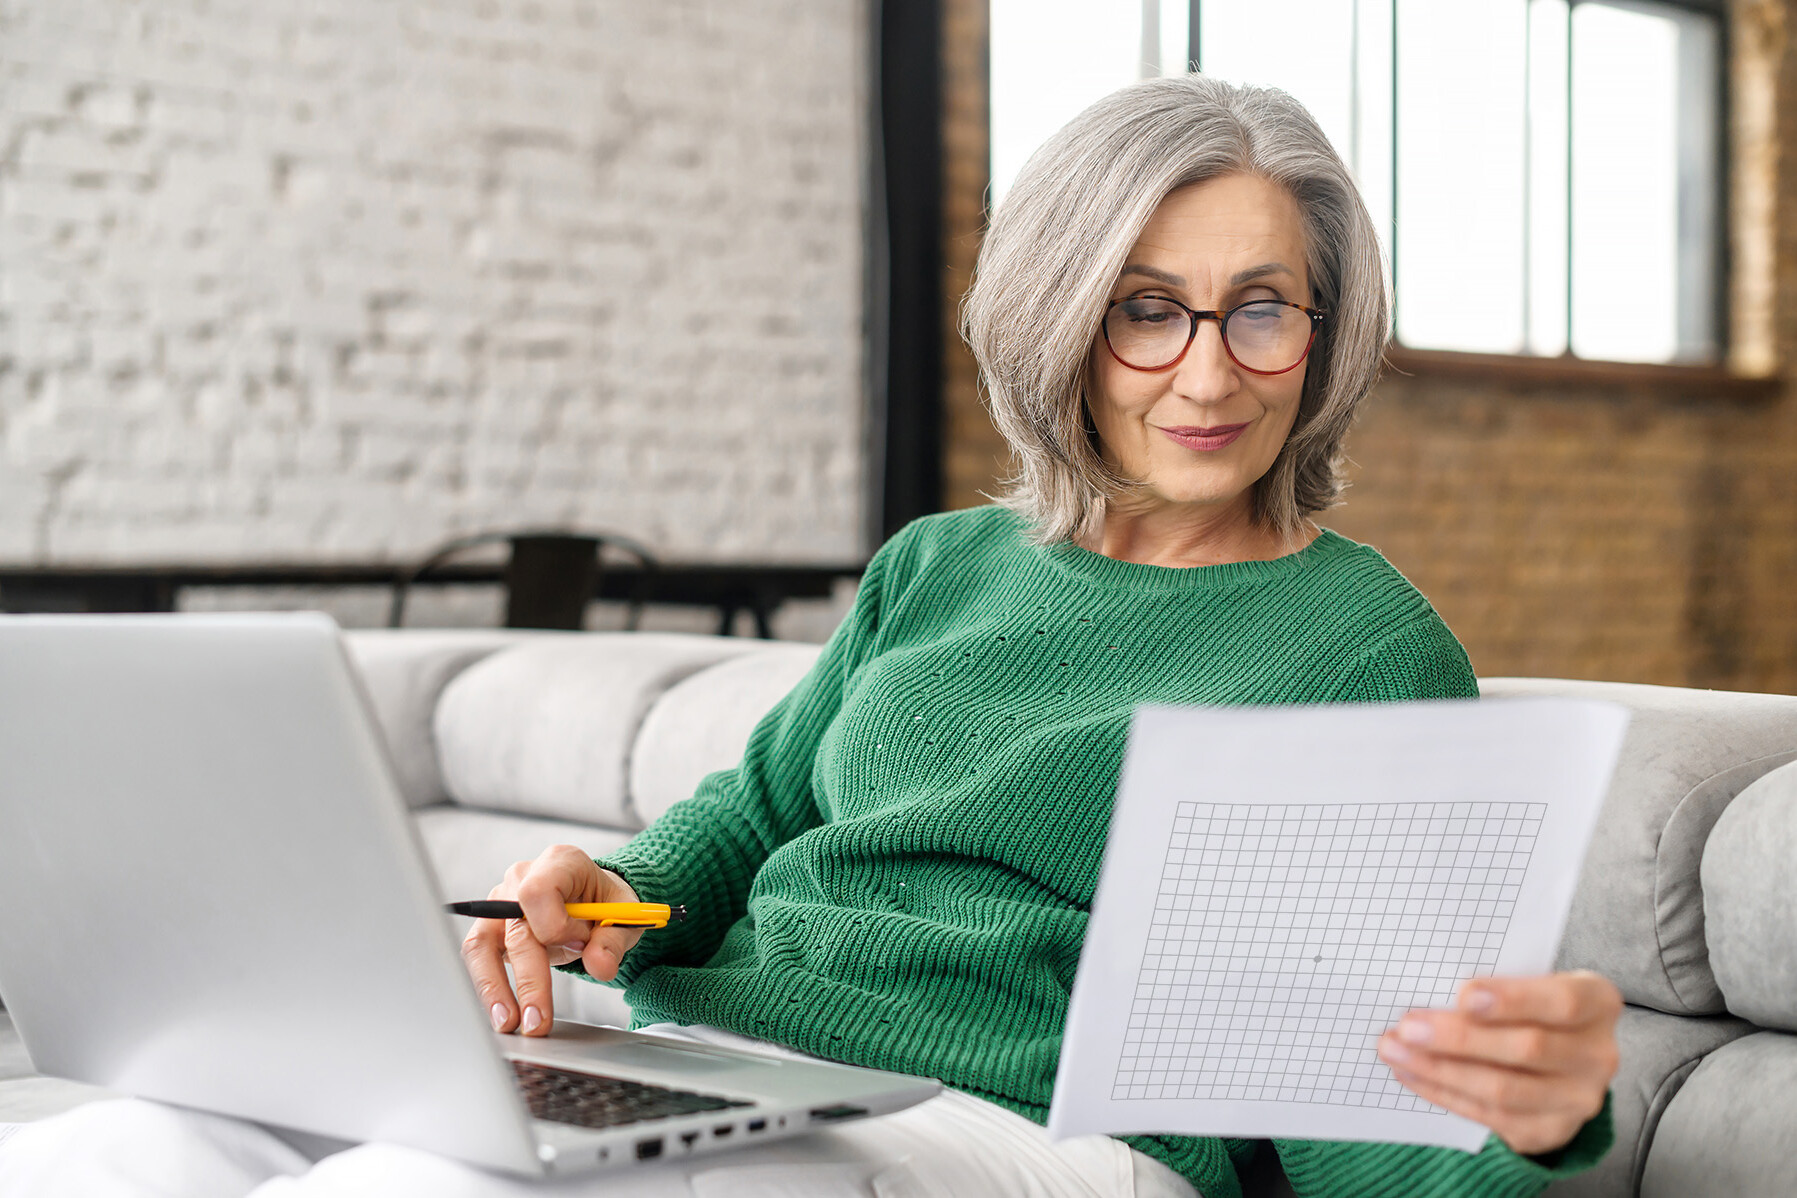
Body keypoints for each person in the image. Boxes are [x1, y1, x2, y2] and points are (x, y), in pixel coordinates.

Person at [0, 74, 1619, 1197]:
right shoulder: (937, 567)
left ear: (1322, 331)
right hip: (716, 1059)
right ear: (1060, 315)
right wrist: (603, 889)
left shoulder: (1356, 646)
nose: (1209, 372)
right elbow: (760, 812)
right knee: (111, 1146)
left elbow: (1366, 1087)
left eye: (1261, 304)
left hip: (1019, 1131)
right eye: (1145, 305)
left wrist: (1535, 1125)